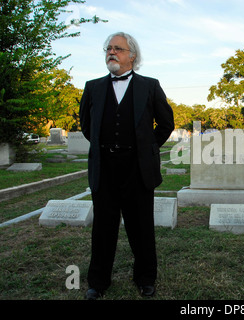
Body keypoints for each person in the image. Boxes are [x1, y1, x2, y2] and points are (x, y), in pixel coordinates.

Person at [79, 32, 174, 299]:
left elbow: (166, 124)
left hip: (137, 168)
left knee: (141, 226)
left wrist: (146, 149)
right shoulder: (92, 87)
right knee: (103, 228)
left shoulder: (150, 85)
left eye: (118, 49)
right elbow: (86, 125)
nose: (111, 52)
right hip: (104, 167)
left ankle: (145, 278)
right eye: (108, 48)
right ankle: (97, 282)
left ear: (132, 55)